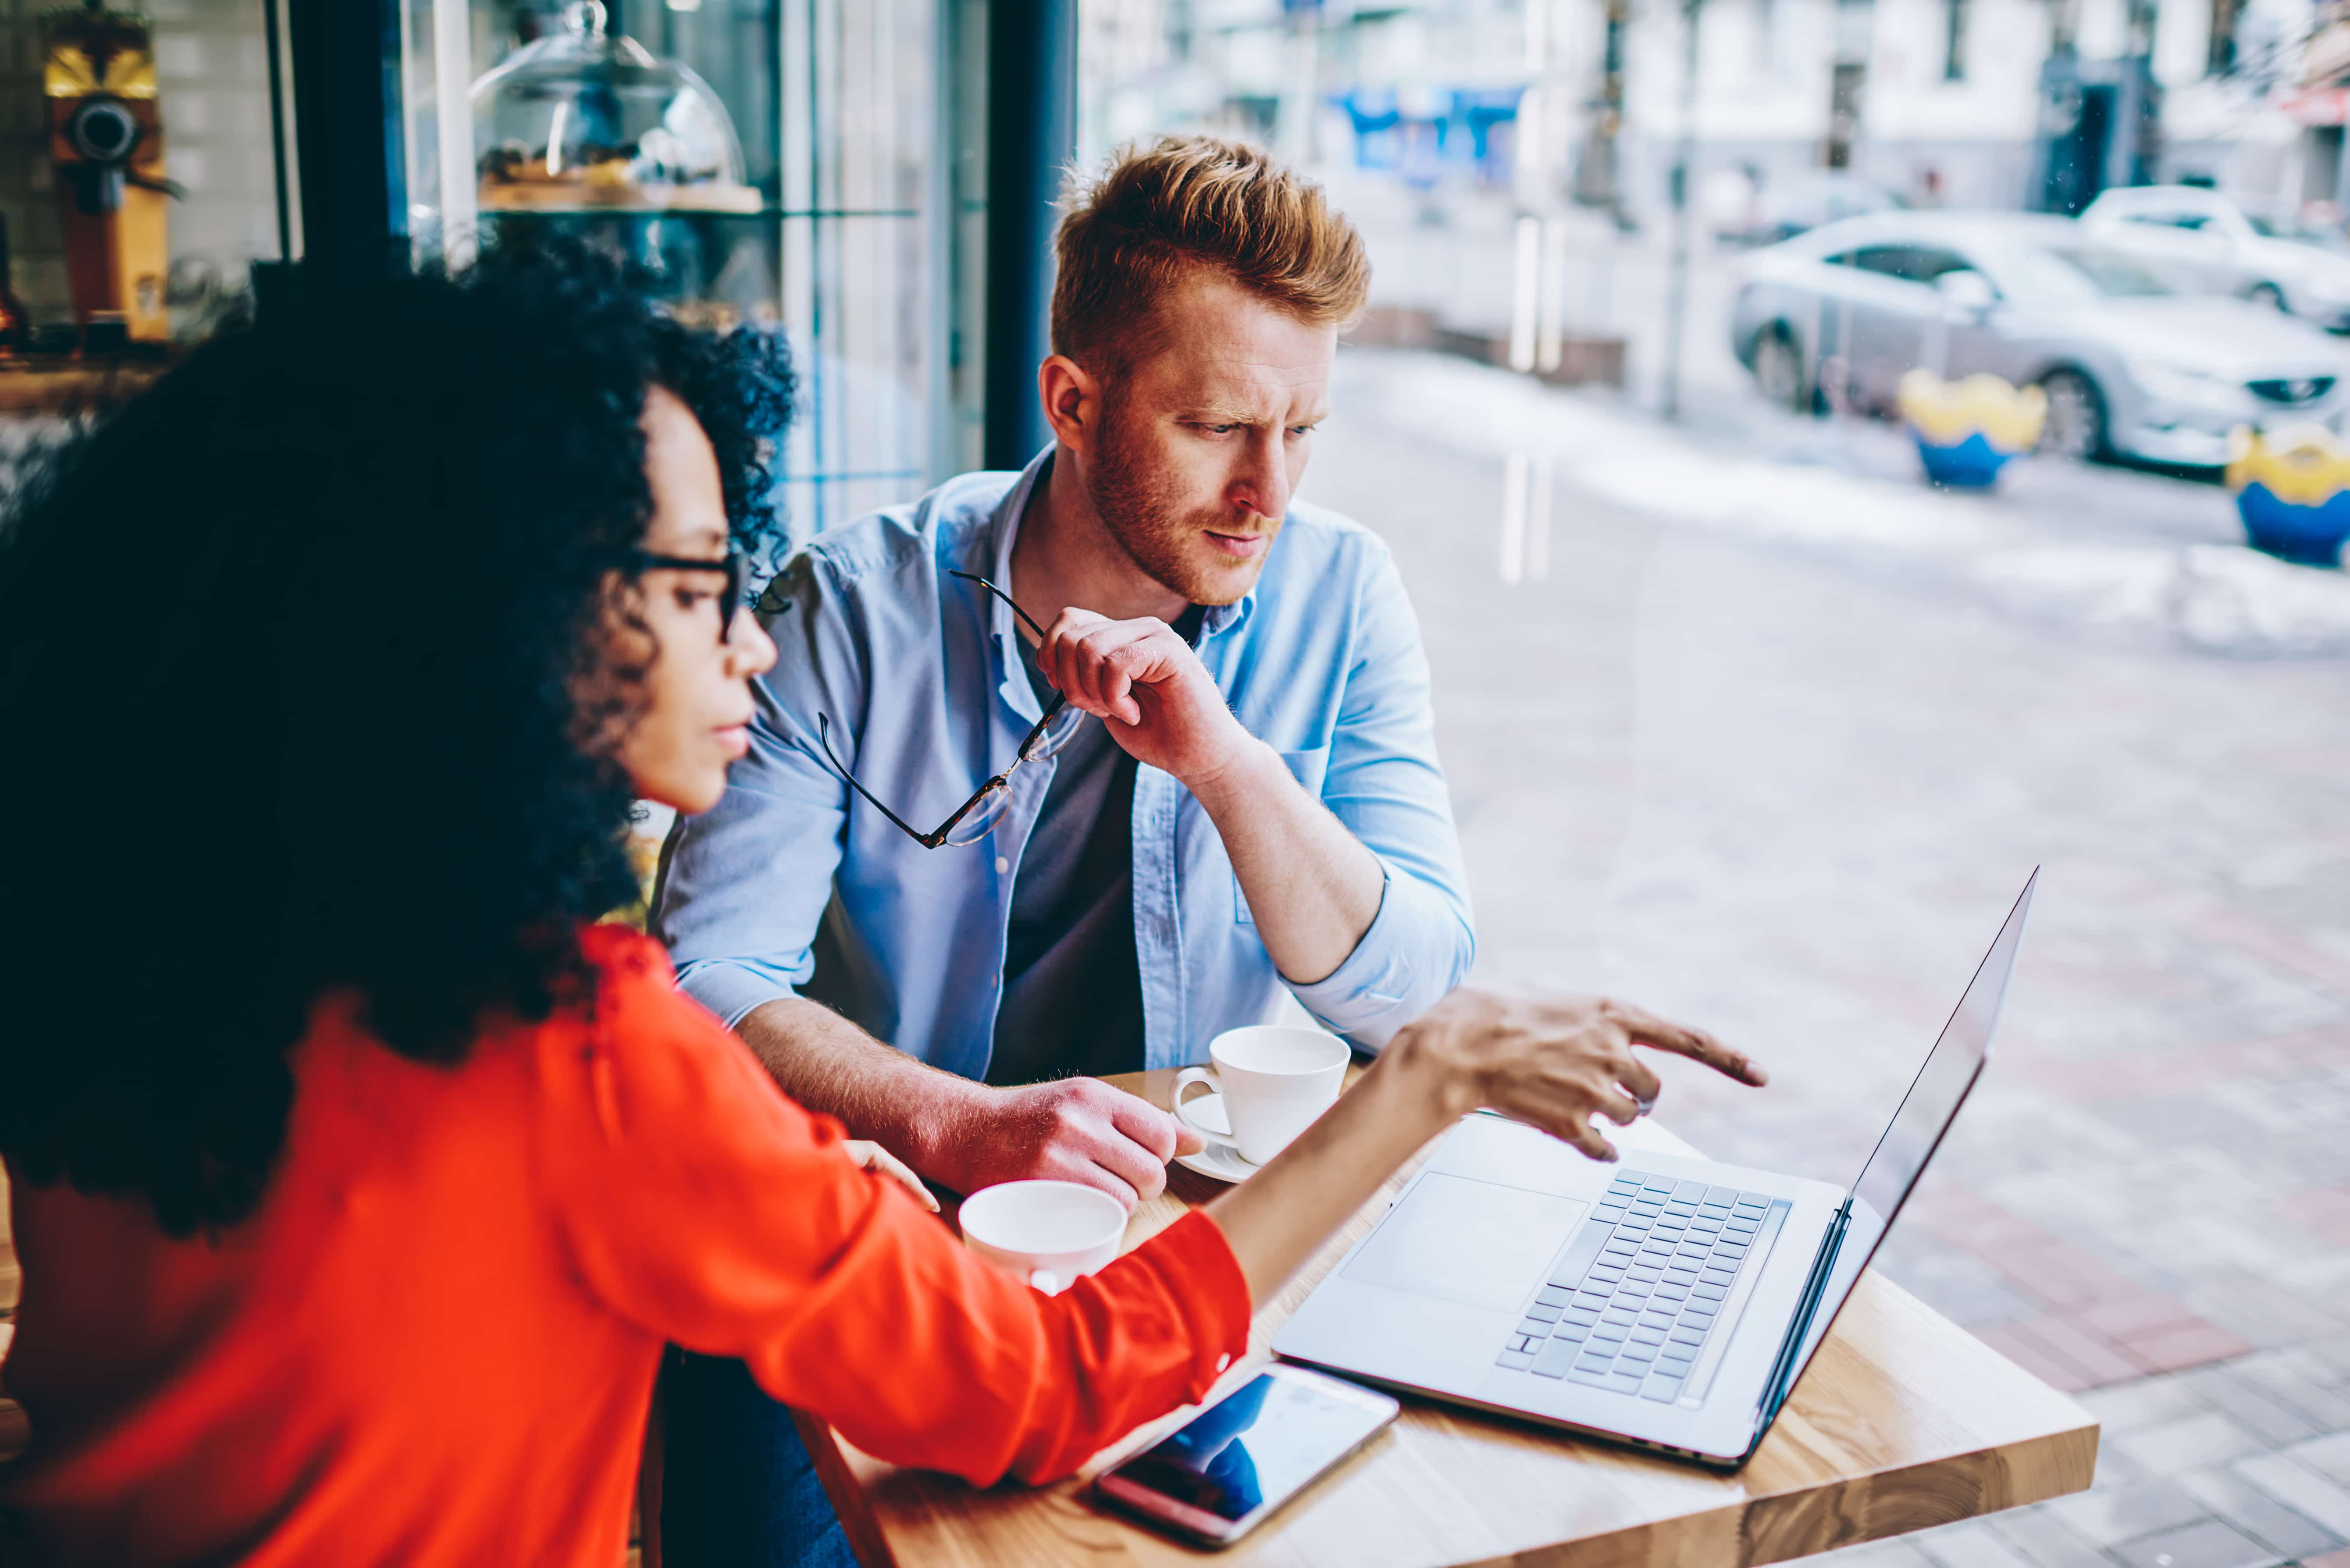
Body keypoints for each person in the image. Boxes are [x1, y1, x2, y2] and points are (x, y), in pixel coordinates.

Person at [0, 246, 1764, 1567]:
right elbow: (1046, 1390)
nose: (746, 640)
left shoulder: (130, 929)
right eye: (696, 585)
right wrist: (1420, 1082)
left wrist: (769, 1172)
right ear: (489, 613)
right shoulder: (575, 1044)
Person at [650, 132, 1476, 1562]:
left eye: (1303, 432)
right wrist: (945, 1120)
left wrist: (1224, 760)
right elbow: (701, 980)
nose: (1268, 491)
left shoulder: (1343, 593)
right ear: (1075, 402)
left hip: (1198, 1248)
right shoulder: (846, 614)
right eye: (1220, 426)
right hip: (877, 1235)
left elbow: (1417, 1001)